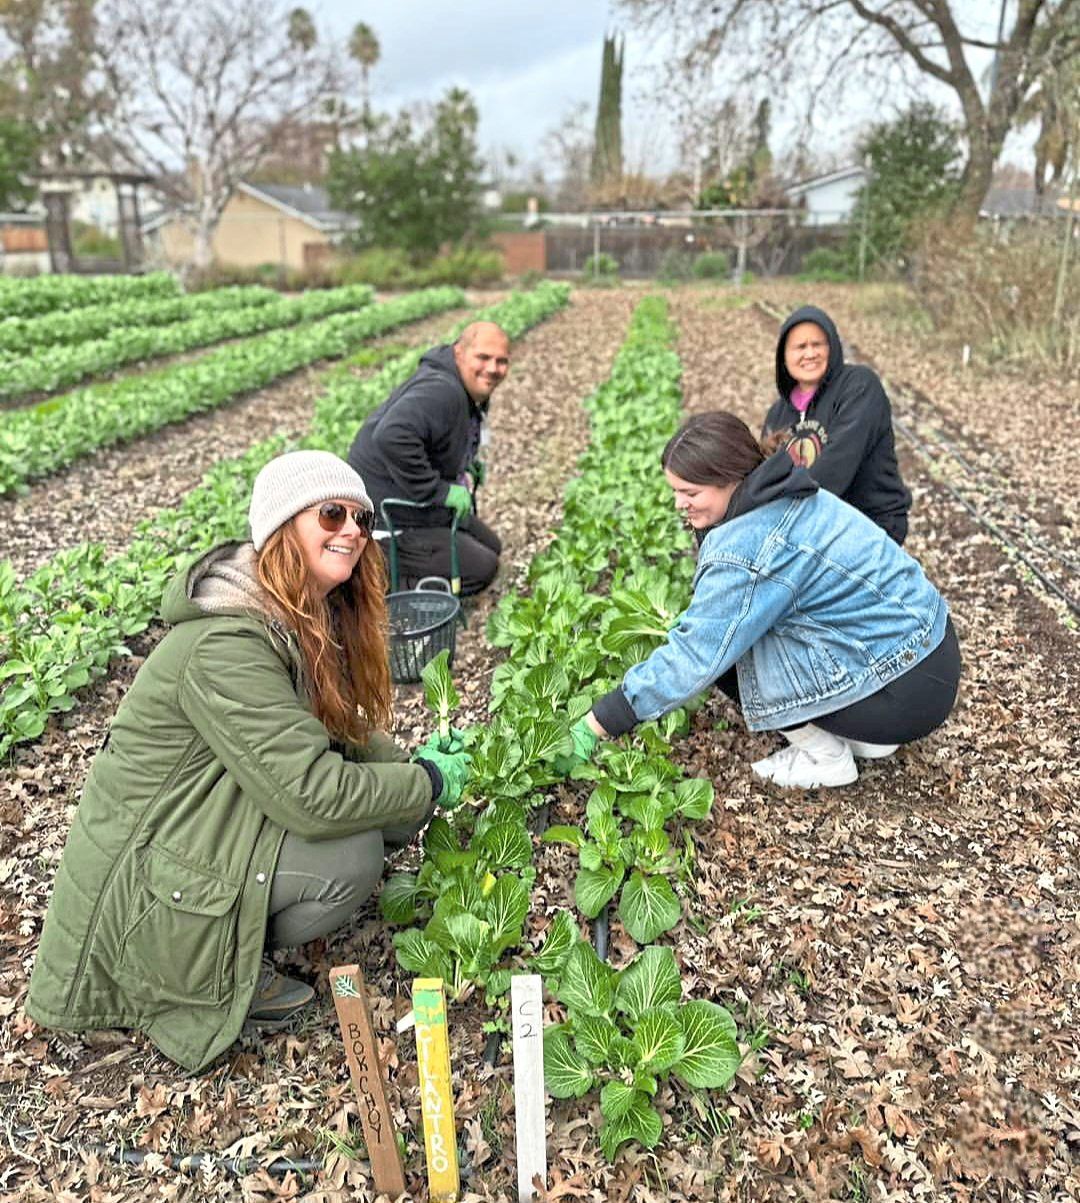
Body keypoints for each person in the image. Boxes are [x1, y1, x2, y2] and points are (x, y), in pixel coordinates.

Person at [26, 451, 470, 1073]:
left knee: (392, 812)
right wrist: (425, 783)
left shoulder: (299, 613)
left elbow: (333, 732)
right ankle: (212, 969)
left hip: (208, 817)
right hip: (141, 881)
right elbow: (313, 794)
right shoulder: (227, 642)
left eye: (362, 519)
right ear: (282, 527)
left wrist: (411, 763)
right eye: (332, 514)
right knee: (353, 853)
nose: (352, 531)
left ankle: (232, 933)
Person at [557, 412, 960, 790]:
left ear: (730, 478)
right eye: (676, 491)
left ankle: (826, 758)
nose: (679, 504)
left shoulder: (751, 544)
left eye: (690, 492)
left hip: (901, 690)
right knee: (742, 625)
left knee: (729, 651)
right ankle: (868, 736)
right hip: (927, 656)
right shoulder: (783, 487)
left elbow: (697, 652)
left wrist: (599, 722)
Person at [347, 321, 511, 595]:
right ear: (459, 353)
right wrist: (439, 491)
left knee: (491, 545)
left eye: (502, 361)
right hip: (388, 514)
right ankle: (374, 583)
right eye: (483, 357)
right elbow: (393, 436)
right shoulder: (442, 390)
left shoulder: (462, 387)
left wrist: (464, 464)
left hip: (413, 501)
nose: (493, 368)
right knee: (481, 567)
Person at [762, 305, 911, 544]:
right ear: (783, 357)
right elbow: (767, 474)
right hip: (811, 528)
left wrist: (780, 513)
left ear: (832, 346)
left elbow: (836, 466)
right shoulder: (777, 414)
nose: (809, 354)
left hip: (868, 523)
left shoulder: (859, 387)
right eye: (800, 347)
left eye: (818, 344)